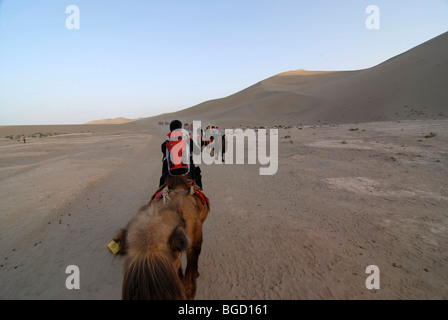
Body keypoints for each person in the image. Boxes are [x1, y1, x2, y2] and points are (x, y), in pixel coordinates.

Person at [159, 120, 203, 189]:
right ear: (181, 129)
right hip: (187, 170)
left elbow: (165, 154)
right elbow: (197, 152)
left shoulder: (165, 143)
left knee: (164, 166)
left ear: (170, 130)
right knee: (198, 176)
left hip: (171, 171)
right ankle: (200, 192)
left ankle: (160, 192)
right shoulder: (187, 139)